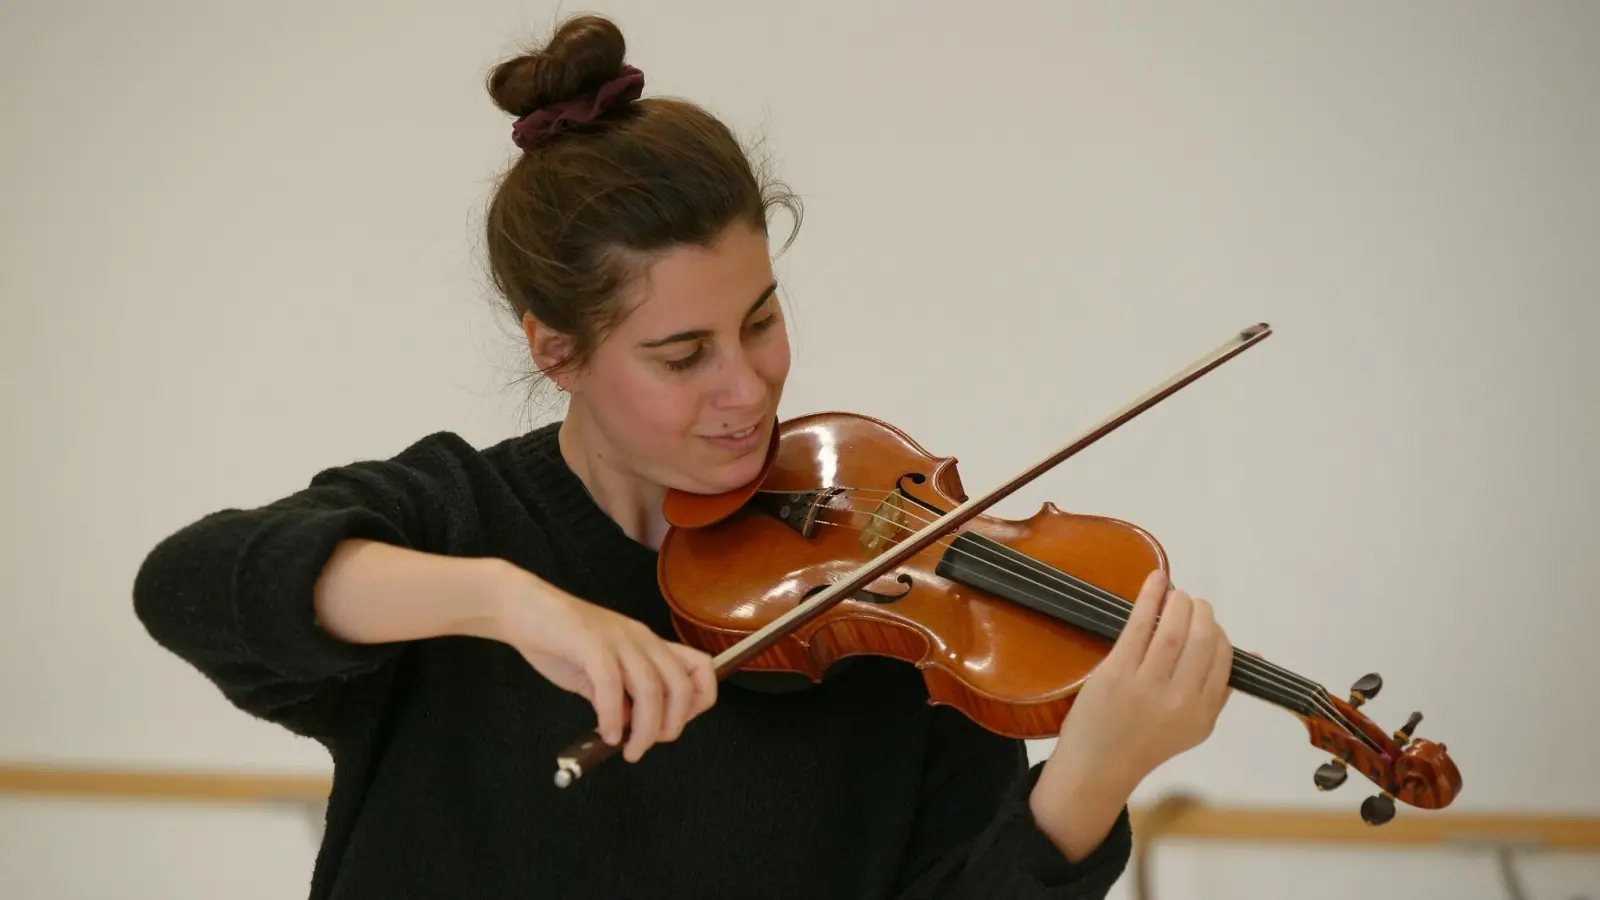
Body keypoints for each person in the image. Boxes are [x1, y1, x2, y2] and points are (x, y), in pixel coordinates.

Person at [132, 14, 1235, 900]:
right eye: (681, 354)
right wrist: (510, 604)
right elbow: (187, 584)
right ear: (557, 351)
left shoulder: (895, 612)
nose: (746, 389)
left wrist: (1090, 782)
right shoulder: (457, 519)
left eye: (760, 322)